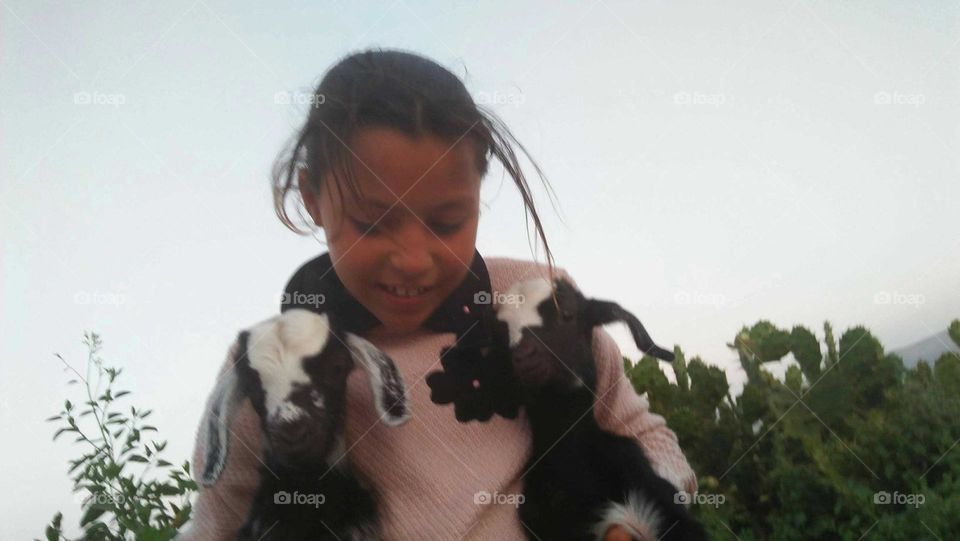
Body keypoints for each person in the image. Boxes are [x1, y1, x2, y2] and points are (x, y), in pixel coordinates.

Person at [180, 48, 697, 541]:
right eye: (371, 224)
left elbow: (641, 435)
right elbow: (219, 526)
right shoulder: (270, 362)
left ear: (478, 195)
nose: (413, 258)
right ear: (313, 198)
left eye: (447, 222)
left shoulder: (539, 301)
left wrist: (630, 525)